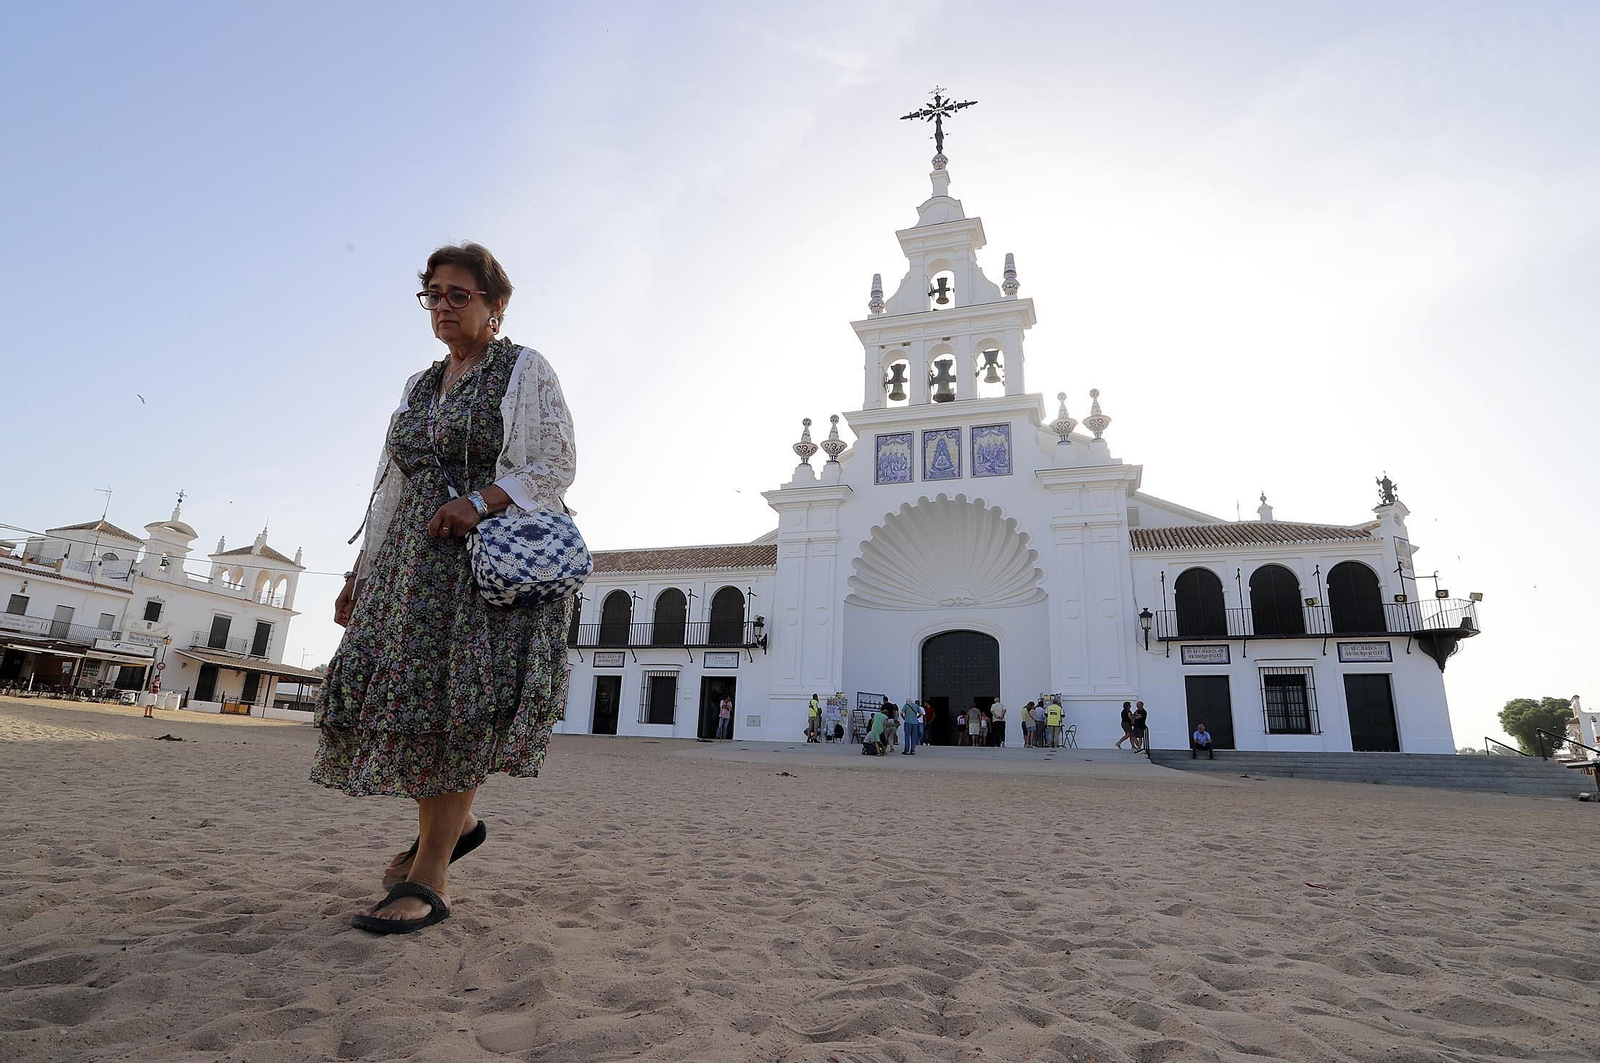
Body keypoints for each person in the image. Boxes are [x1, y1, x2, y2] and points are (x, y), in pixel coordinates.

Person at [314, 243, 576, 936]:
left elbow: (556, 462)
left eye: (460, 294)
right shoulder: (419, 385)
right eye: (433, 293)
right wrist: (360, 574)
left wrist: (482, 499)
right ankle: (455, 825)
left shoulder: (523, 369)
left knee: (461, 705)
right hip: (409, 567)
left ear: (495, 306)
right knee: (418, 703)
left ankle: (429, 873)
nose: (443, 305)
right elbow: (392, 483)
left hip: (484, 568)